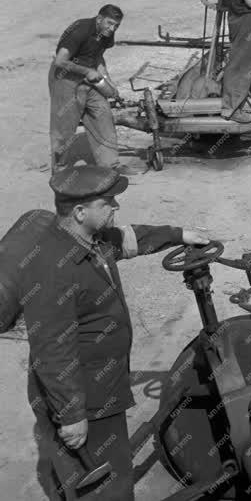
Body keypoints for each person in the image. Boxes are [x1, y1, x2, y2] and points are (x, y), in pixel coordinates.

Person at [19, 165, 210, 500]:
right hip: (84, 397)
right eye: (107, 202)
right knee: (103, 485)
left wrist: (179, 235)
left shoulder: (91, 240)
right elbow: (51, 349)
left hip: (104, 387)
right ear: (79, 212)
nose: (115, 208)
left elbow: (132, 237)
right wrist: (71, 414)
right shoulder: (52, 268)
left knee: (111, 471)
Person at [50, 4, 128, 174]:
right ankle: (60, 170)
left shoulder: (107, 33)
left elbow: (98, 56)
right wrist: (87, 71)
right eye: (109, 23)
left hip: (90, 77)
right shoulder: (80, 30)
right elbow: (60, 61)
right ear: (99, 19)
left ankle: (110, 165)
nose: (112, 28)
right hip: (66, 77)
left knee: (103, 115)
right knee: (64, 125)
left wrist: (108, 81)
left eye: (116, 26)